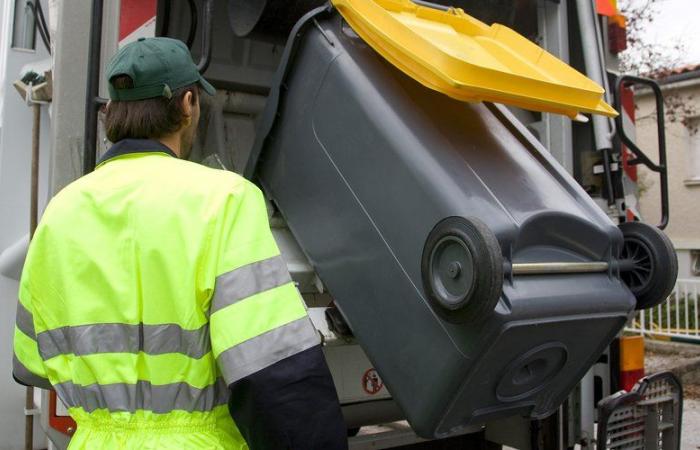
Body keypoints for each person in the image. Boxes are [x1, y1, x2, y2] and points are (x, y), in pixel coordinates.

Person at [12, 37, 347, 450]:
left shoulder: (60, 213)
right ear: (188, 104)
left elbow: (29, 364)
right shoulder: (224, 200)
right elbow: (275, 372)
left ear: (110, 114)